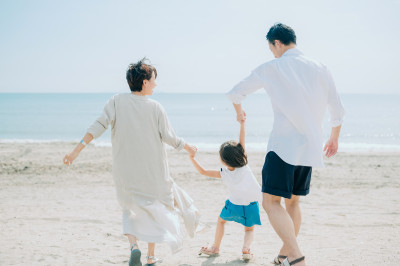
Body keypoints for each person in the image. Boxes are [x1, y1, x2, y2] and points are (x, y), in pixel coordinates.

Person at [226, 23, 345, 266]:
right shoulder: (320, 67)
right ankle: (283, 255)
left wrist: (239, 113)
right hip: (310, 147)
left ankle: (296, 257)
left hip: (283, 146)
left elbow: (235, 92)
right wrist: (334, 137)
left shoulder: (274, 66)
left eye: (271, 48)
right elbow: (337, 108)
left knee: (270, 202)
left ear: (277, 43)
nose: (272, 52)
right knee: (293, 202)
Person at [63, 58, 199, 266]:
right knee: (155, 208)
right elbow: (169, 137)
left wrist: (76, 151)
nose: (156, 84)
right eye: (154, 80)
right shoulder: (155, 107)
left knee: (129, 209)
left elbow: (98, 126)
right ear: (145, 82)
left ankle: (134, 247)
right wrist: (188, 147)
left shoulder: (116, 101)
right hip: (154, 172)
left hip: (125, 170)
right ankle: (151, 256)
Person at [189, 119, 262, 261]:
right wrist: (242, 124)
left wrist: (192, 158)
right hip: (251, 204)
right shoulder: (244, 167)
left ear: (223, 160)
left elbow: (203, 171)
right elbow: (242, 140)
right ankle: (246, 249)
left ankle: (215, 247)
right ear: (241, 155)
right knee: (249, 229)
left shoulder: (223, 172)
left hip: (234, 205)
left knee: (221, 221)